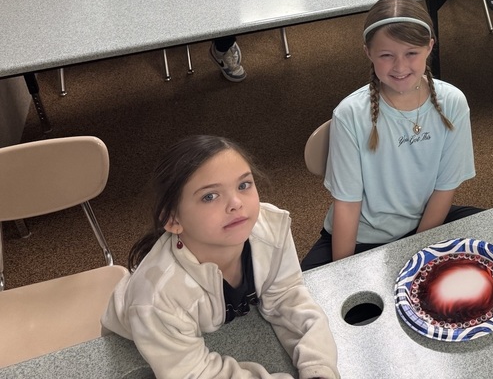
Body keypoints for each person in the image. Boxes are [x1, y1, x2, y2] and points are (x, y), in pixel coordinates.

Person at [102, 135, 339, 379]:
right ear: (173, 220)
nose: (236, 203)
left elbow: (287, 296)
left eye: (244, 185)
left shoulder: (270, 228)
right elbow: (195, 373)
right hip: (140, 348)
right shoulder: (157, 299)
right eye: (209, 196)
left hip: (207, 330)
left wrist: (318, 369)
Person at [302, 0, 479, 269]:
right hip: (362, 237)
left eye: (411, 53)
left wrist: (420, 258)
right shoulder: (350, 114)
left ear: (429, 46)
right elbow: (347, 206)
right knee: (310, 302)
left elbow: (445, 189)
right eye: (386, 55)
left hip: (426, 225)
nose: (400, 67)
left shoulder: (453, 102)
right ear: (368, 53)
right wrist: (344, 273)